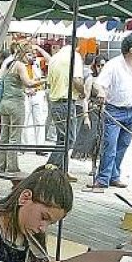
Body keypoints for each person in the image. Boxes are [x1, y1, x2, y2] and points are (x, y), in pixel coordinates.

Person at [91, 33, 132, 191]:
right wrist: (101, 93)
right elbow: (98, 84)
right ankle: (103, 178)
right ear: (131, 49)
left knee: (123, 145)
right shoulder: (114, 65)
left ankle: (114, 176)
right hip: (114, 110)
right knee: (110, 145)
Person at [0, 44, 41, 175]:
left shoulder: (8, 64)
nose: (31, 57)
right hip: (16, 104)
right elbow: (28, 82)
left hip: (4, 103)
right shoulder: (20, 66)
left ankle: (1, 166)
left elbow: (14, 84)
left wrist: (26, 90)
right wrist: (43, 81)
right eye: (29, 54)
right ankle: (12, 167)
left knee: (4, 136)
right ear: (22, 54)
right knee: (15, 136)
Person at [45, 44, 85, 176]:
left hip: (55, 101)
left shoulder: (55, 58)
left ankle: (61, 172)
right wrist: (83, 93)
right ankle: (50, 167)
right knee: (68, 139)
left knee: (61, 138)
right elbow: (77, 80)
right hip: (65, 101)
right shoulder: (75, 56)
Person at [71, 54, 107, 175]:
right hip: (94, 112)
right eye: (99, 65)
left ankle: (101, 166)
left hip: (106, 113)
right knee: (93, 140)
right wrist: (86, 116)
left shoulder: (110, 79)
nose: (101, 68)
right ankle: (94, 167)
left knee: (103, 141)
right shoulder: (92, 79)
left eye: (103, 65)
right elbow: (85, 99)